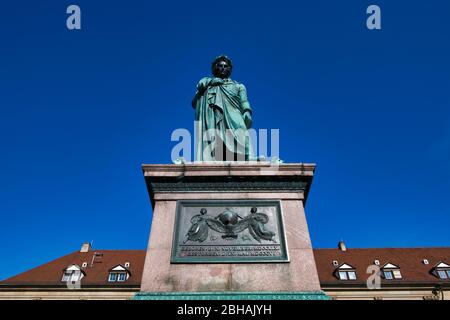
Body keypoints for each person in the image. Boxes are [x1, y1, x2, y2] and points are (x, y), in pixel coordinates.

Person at [192, 55, 253, 161]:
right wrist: (208, 83)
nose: (223, 68)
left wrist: (247, 111)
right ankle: (214, 156)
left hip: (233, 112)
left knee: (241, 131)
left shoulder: (239, 86)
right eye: (220, 66)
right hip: (213, 114)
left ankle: (246, 157)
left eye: (226, 66)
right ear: (215, 68)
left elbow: (244, 101)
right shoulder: (208, 84)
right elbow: (194, 103)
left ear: (229, 69)